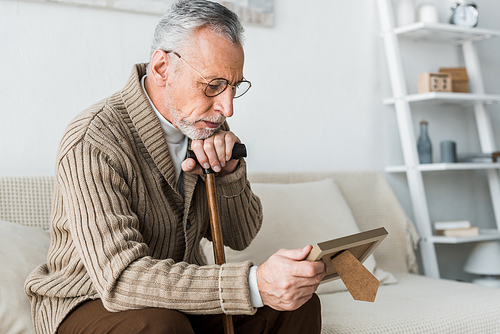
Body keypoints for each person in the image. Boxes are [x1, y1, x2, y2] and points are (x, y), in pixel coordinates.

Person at [25, 1, 325, 333]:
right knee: (160, 324)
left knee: (296, 304)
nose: (227, 108)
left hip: (181, 302)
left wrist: (229, 175)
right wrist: (252, 283)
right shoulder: (93, 140)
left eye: (233, 87)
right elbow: (121, 279)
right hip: (90, 301)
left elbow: (242, 236)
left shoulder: (208, 129)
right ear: (162, 68)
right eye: (212, 86)